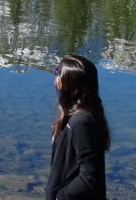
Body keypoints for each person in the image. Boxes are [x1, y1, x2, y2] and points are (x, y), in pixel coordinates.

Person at [46, 54, 110, 200]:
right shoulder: (74, 117)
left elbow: (89, 177)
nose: (55, 75)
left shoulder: (82, 122)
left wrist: (60, 196)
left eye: (58, 71)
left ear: (70, 82)